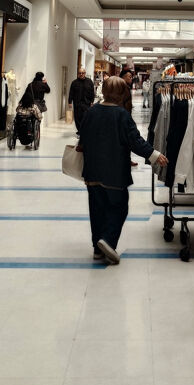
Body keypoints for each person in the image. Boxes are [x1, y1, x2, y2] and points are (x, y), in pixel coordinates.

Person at [78, 76, 168, 264]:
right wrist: (154, 155)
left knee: (97, 209)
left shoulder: (91, 112)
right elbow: (135, 141)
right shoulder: (121, 115)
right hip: (114, 172)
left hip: (92, 171)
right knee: (119, 207)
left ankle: (97, 248)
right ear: (121, 93)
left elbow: (83, 138)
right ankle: (108, 240)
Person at [69, 67, 94, 135]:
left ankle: (84, 130)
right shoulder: (74, 82)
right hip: (77, 103)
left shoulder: (89, 82)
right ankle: (80, 131)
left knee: (85, 117)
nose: (81, 74)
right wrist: (69, 102)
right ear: (78, 74)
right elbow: (71, 92)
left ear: (85, 73)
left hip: (87, 103)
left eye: (82, 73)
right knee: (77, 118)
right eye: (79, 73)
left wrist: (92, 101)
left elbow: (92, 92)